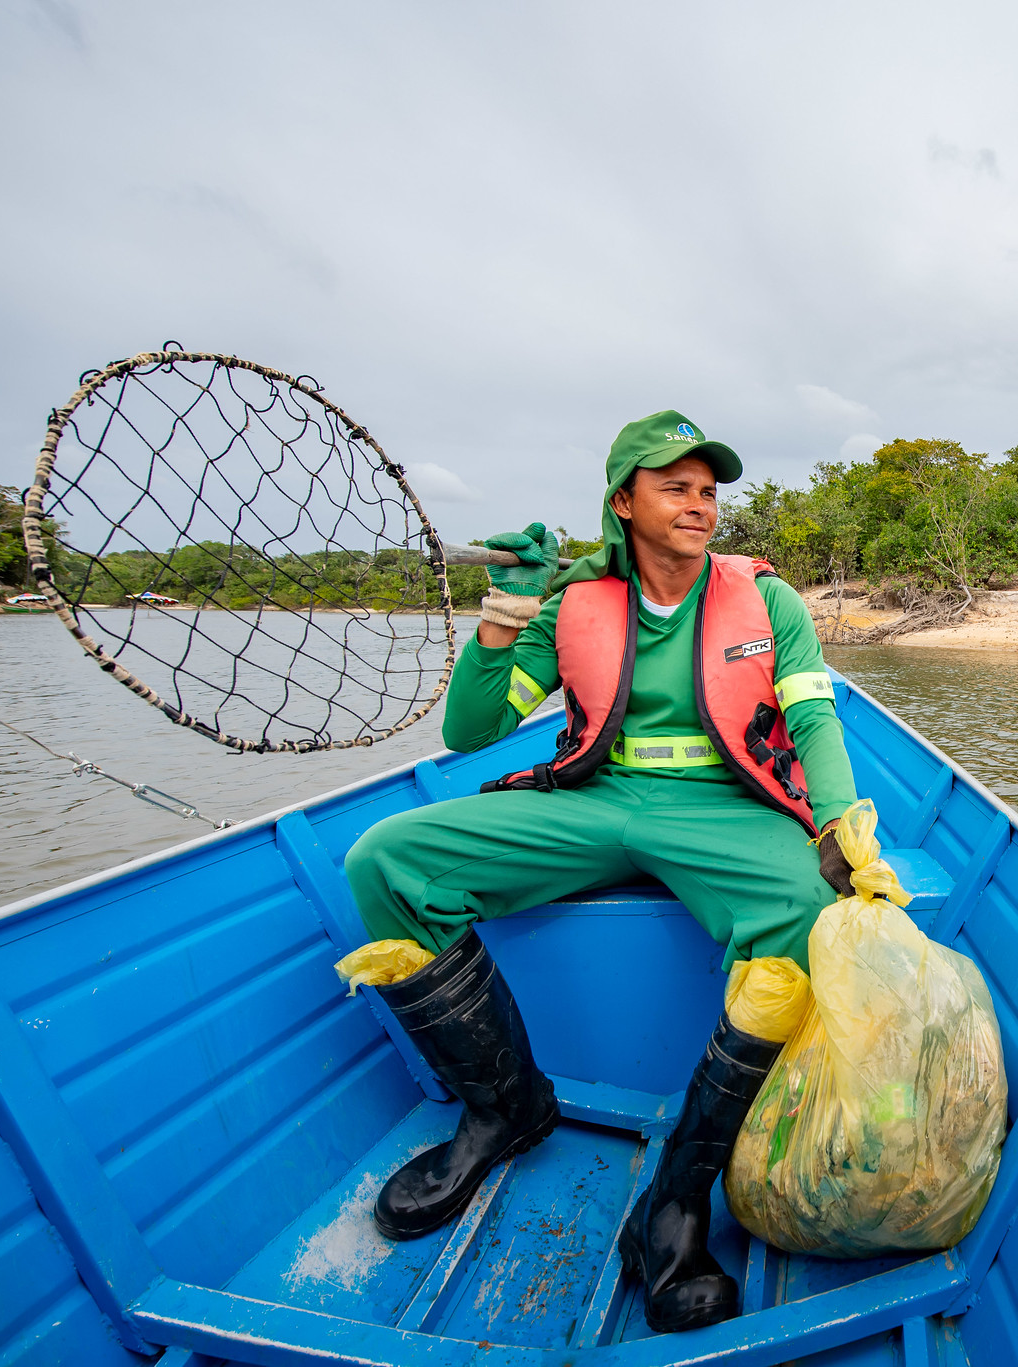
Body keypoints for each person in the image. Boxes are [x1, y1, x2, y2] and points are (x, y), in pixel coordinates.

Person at [341, 410, 859, 1333]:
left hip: (726, 808)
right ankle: (504, 1110)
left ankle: (676, 1199)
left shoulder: (767, 600)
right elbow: (474, 731)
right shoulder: (574, 602)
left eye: (709, 491)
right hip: (595, 796)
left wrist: (843, 821)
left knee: (812, 910)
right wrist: (505, 614)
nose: (700, 506)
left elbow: (814, 721)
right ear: (624, 502)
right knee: (386, 860)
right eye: (676, 488)